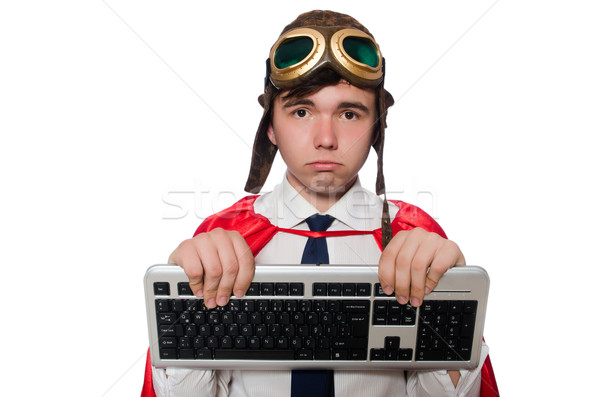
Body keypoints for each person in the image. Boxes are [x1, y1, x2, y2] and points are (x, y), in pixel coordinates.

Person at [142, 10, 499, 397]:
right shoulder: (223, 237)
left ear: (377, 128)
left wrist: (450, 311)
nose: (326, 138)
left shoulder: (413, 236)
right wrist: (181, 311)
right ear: (270, 128)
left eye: (349, 114)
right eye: (301, 111)